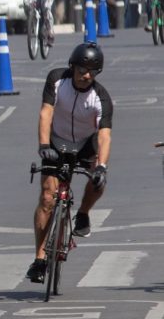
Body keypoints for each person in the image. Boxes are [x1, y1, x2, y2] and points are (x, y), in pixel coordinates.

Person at [26, 43, 112, 282]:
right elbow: (46, 112)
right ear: (72, 66)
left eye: (92, 72)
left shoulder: (101, 97)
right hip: (56, 142)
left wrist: (102, 167)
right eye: (82, 69)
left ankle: (83, 213)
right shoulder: (56, 79)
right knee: (46, 198)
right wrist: (44, 147)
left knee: (99, 181)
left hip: (85, 145)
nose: (86, 76)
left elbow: (104, 135)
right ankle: (40, 259)